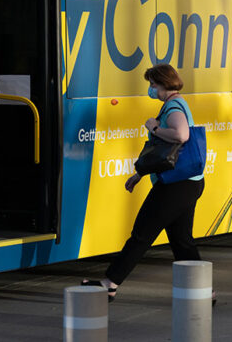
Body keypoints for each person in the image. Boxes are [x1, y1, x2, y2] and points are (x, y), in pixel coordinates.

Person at [82, 63, 207, 302]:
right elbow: (163, 152)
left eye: (152, 84)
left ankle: (110, 283)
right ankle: (202, 290)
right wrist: (139, 174)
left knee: (142, 233)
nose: (150, 89)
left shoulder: (173, 107)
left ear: (163, 83)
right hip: (187, 183)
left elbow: (182, 135)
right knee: (182, 242)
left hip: (176, 185)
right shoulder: (175, 104)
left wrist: (156, 127)